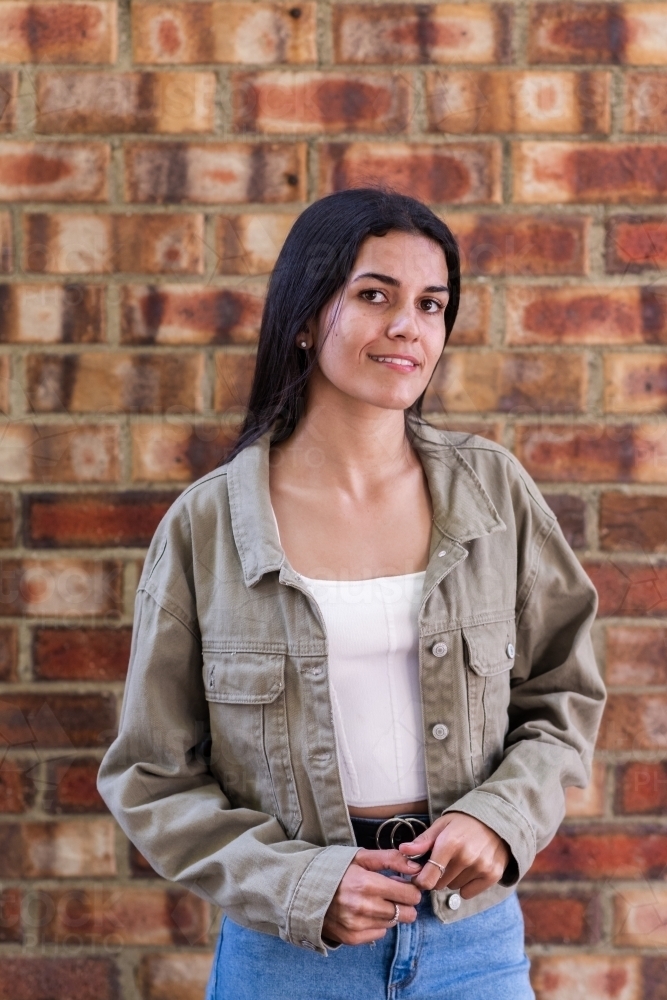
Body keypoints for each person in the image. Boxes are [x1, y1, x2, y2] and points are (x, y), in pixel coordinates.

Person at [97, 187, 606, 1000]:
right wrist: (303, 888)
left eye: (430, 303)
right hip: (288, 957)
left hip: (470, 944)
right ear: (304, 316)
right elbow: (150, 775)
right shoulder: (208, 527)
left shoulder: (494, 495)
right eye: (374, 295)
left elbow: (562, 696)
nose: (408, 324)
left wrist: (498, 818)